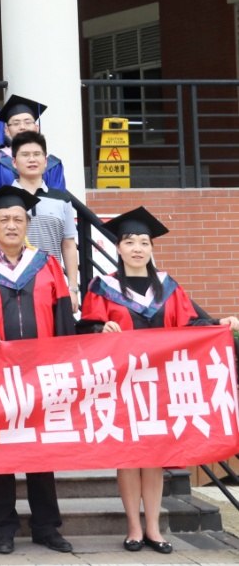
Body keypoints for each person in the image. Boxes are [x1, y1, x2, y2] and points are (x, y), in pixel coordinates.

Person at [78, 207, 239, 554]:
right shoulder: (102, 287)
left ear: (152, 248)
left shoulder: (167, 287)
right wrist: (100, 328)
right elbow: (85, 327)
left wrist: (218, 324)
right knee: (127, 456)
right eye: (129, 242)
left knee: (153, 455)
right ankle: (133, 528)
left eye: (144, 242)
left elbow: (190, 325)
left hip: (159, 384)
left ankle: (153, 527)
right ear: (118, 248)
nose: (137, 248)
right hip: (121, 383)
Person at [0, 185, 75, 556]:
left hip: (40, 373)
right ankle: (3, 527)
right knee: (1, 452)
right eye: (3, 219)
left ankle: (46, 526)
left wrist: (64, 361)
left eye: (18, 219)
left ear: (27, 224)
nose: (11, 225)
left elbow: (62, 315)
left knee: (41, 452)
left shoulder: (46, 264)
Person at [0, 131, 79, 308]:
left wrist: (72, 288)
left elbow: (68, 244)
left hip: (52, 284)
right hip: (10, 285)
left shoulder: (62, 200)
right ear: (14, 162)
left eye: (37, 154)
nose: (32, 159)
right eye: (25, 155)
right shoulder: (0, 199)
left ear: (45, 160)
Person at [0, 94, 67, 198]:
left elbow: (58, 198)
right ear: (7, 131)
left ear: (37, 128)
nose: (22, 127)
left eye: (27, 122)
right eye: (16, 123)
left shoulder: (53, 164)